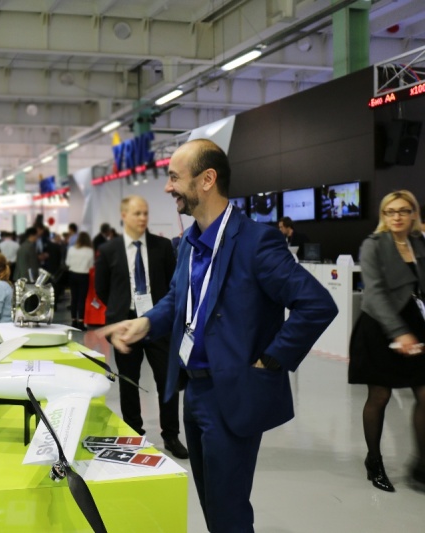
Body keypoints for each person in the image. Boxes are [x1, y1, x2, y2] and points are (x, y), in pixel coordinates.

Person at [98, 139, 337, 532]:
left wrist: (271, 359)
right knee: (213, 508)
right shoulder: (190, 243)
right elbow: (179, 299)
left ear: (206, 180)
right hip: (194, 391)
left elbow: (316, 304)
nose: (167, 186)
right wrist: (147, 323)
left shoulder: (257, 242)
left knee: (229, 515)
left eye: (174, 177)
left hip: (233, 394)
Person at [95, 196, 187, 459]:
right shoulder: (109, 250)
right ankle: (134, 432)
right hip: (125, 326)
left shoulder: (162, 246)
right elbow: (103, 289)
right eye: (137, 213)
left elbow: (173, 285)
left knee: (166, 381)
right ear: (124, 215)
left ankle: (171, 435)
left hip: (157, 324)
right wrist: (121, 311)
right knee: (129, 382)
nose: (143, 218)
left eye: (145, 213)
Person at [349, 190, 425, 492]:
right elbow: (375, 294)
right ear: (383, 215)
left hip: (414, 324)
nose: (396, 216)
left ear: (413, 214)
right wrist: (399, 333)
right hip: (379, 327)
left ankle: (421, 464)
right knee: (379, 397)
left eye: (403, 211)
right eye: (390, 211)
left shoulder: (418, 244)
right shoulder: (373, 245)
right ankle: (374, 460)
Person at [65, 231, 94, 330]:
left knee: (74, 298)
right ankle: (81, 322)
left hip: (72, 274)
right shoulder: (90, 251)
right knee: (82, 299)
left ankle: (73, 321)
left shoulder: (71, 249)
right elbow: (91, 265)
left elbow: (67, 262)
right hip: (83, 276)